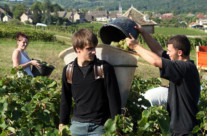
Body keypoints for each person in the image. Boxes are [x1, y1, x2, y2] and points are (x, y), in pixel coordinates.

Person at [126, 25, 200, 136]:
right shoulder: (182, 66)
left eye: (170, 51)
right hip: (178, 128)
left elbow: (155, 61)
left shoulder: (184, 68)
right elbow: (159, 51)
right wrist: (143, 33)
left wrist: (135, 46)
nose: (168, 53)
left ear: (179, 53)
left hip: (184, 130)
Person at [59, 29, 121, 136]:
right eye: (89, 49)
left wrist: (116, 125)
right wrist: (62, 123)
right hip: (77, 127)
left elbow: (114, 99)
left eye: (94, 48)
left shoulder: (104, 68)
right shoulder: (69, 70)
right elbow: (65, 99)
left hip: (100, 127)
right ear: (78, 49)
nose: (93, 52)